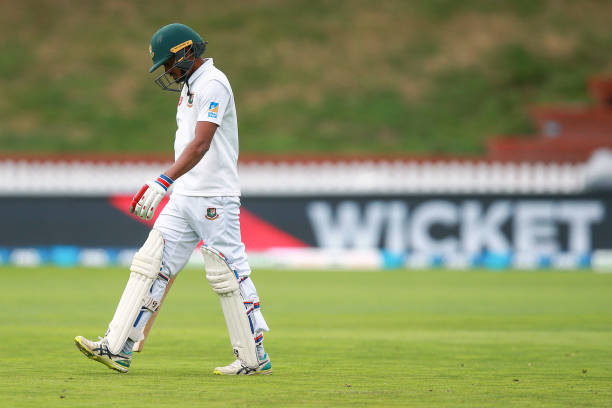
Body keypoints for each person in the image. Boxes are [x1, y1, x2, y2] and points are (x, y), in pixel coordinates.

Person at [74, 23, 271, 376]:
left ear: (187, 53)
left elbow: (201, 144)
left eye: (169, 63)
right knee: (150, 265)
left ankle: (253, 357)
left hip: (213, 196)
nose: (167, 71)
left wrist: (164, 179)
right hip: (185, 195)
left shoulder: (213, 83)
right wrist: (172, 185)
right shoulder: (191, 86)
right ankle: (117, 346)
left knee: (228, 274)